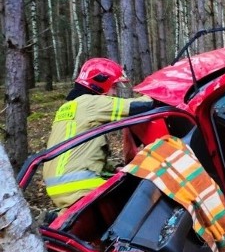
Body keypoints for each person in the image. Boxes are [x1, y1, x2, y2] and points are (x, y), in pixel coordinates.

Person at [43, 58, 155, 209]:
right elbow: (141, 106)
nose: (114, 93)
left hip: (58, 188)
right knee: (141, 195)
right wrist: (158, 90)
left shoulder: (68, 107)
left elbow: (79, 153)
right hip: (79, 185)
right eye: (114, 87)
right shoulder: (90, 103)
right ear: (100, 83)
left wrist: (113, 169)